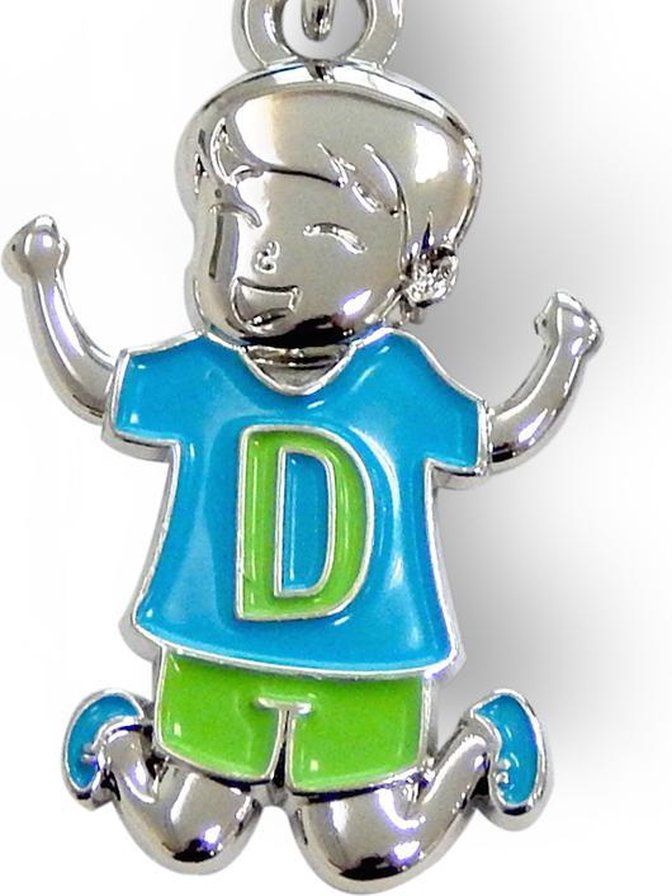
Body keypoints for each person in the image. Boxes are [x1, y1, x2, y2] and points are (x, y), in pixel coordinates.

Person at [5, 73, 601, 886]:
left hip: (371, 660)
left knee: (365, 851)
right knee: (189, 835)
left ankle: (482, 745)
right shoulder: (203, 374)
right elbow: (96, 386)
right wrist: (42, 289)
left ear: (419, 272)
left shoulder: (396, 382)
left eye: (322, 230)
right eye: (237, 220)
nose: (265, 252)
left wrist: (565, 356)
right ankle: (118, 739)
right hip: (212, 650)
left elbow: (494, 438)